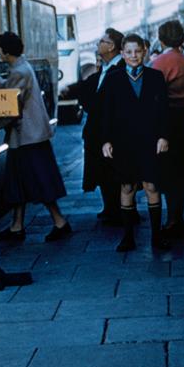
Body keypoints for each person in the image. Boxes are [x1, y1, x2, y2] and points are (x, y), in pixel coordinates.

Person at [0, 32, 70, 242]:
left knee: (39, 181)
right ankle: (17, 226)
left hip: (28, 137)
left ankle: (59, 221)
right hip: (27, 137)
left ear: (6, 51)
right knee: (18, 182)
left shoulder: (19, 71)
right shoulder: (20, 67)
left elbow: (12, 105)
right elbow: (8, 86)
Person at [101, 34, 170, 251]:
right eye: (129, 52)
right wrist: (106, 140)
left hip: (150, 141)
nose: (133, 56)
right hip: (124, 143)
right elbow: (106, 114)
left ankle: (156, 236)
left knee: (151, 185)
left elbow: (164, 111)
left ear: (145, 52)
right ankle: (128, 236)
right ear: (122, 54)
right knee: (127, 186)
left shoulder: (156, 77)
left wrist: (163, 136)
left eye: (137, 51)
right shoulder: (113, 79)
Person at [152, 21, 184, 239]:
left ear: (161, 39)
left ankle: (172, 220)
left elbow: (152, 94)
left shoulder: (160, 62)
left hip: (167, 118)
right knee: (182, 168)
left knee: (168, 170)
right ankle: (178, 217)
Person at [79, 28, 125, 227]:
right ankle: (110, 207)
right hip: (98, 129)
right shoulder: (106, 67)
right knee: (103, 171)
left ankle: (117, 209)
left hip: (110, 130)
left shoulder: (120, 68)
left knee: (112, 170)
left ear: (111, 46)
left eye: (102, 41)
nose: (98, 44)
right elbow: (91, 87)